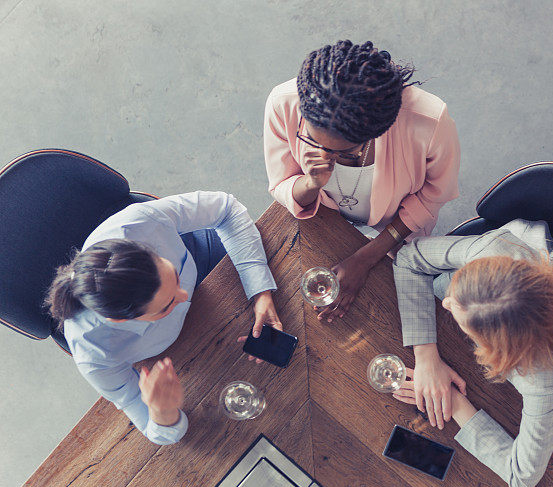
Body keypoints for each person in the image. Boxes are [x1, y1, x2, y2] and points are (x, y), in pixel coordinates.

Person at [45, 191, 281, 445]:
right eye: (167, 305)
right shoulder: (94, 354)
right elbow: (152, 430)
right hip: (185, 356)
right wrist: (162, 412)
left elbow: (226, 208)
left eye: (174, 277)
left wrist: (260, 289)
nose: (183, 296)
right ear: (121, 321)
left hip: (209, 269)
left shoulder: (140, 221)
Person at [390, 219, 553, 487]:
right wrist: (426, 356)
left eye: (460, 316)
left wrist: (453, 401)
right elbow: (409, 258)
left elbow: (522, 476)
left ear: (495, 347)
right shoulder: (489, 252)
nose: (445, 303)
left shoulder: (547, 379)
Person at [264, 39, 460, 321]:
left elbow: (433, 196)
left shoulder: (428, 122)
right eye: (311, 139)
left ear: (378, 131)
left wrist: (365, 259)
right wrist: (311, 183)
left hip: (398, 231)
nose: (321, 156)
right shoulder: (283, 105)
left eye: (343, 152)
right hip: (321, 222)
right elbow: (281, 183)